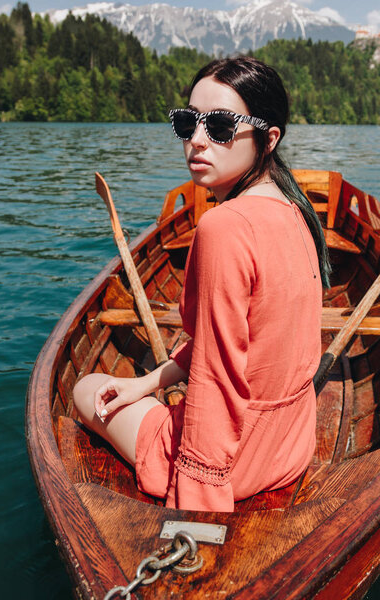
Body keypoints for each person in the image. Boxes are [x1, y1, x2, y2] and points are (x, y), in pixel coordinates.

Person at [73, 56, 331, 512]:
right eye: (188, 121)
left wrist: (196, 500)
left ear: (269, 138)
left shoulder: (223, 226)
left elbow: (216, 378)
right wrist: (147, 383)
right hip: (289, 446)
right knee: (123, 390)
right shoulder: (297, 212)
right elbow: (237, 344)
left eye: (220, 125)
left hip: (231, 464)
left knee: (85, 386)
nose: (196, 139)